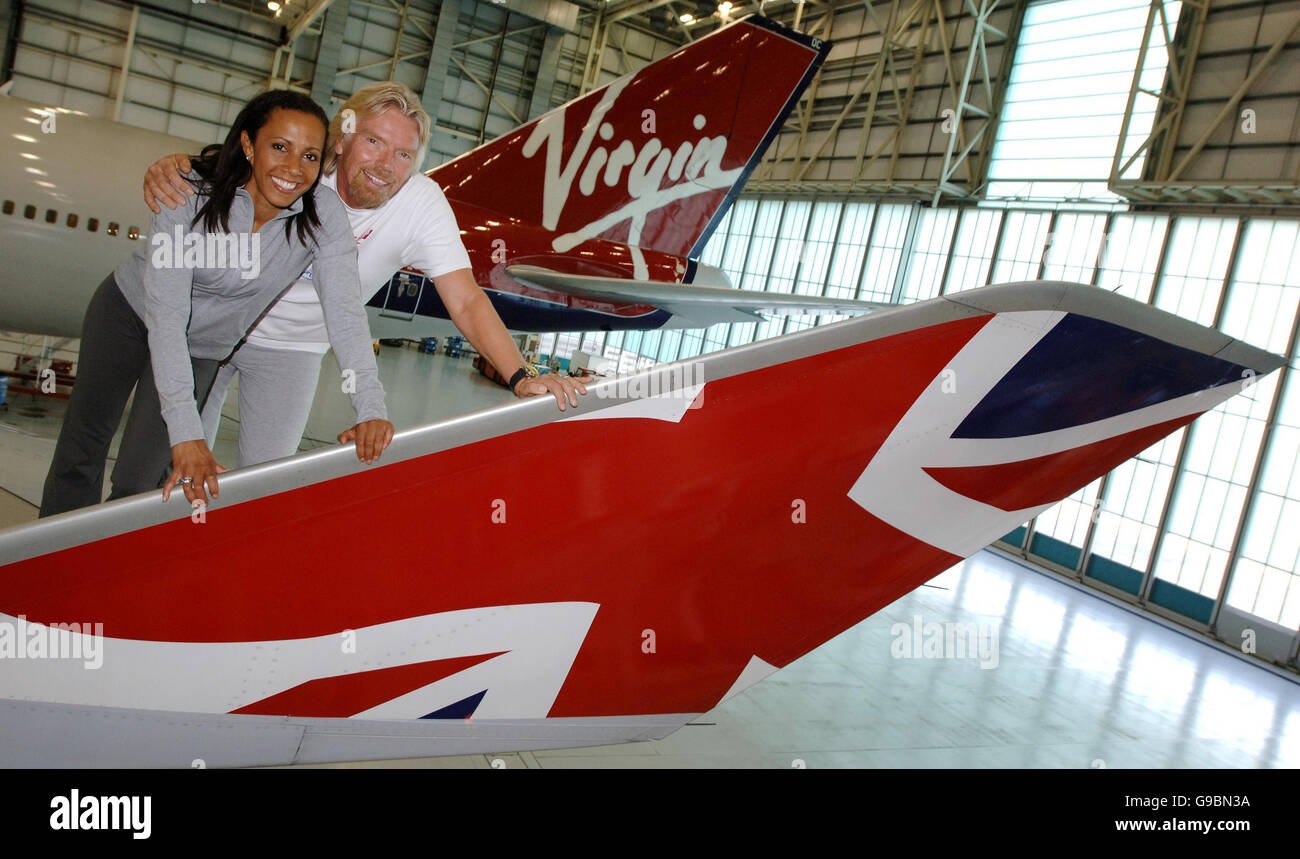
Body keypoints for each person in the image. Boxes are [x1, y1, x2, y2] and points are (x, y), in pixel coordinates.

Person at [143, 82, 588, 470]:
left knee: (263, 484)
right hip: (212, 328)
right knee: (170, 466)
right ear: (341, 140)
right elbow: (220, 171)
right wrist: (174, 164)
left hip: (295, 349)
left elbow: (466, 300)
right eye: (373, 142)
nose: (384, 165)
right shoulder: (297, 171)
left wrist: (521, 375)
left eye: (403, 154)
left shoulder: (421, 204)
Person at [40, 90, 394, 517]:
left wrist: (371, 407)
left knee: (142, 479)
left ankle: (108, 570)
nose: (293, 169)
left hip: (202, 347)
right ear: (248, 145)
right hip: (129, 314)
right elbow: (168, 317)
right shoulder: (187, 193)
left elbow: (345, 314)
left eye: (310, 156)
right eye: (279, 147)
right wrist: (188, 434)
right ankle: (51, 569)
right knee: (83, 447)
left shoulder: (323, 217)